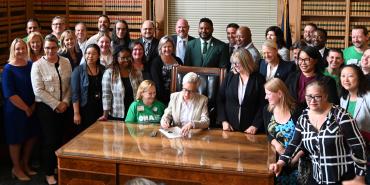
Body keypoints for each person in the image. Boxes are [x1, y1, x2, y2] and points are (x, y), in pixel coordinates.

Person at [270, 80, 367, 185]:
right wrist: (280, 163)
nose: (312, 100)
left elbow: (359, 147)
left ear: (325, 96)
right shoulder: (303, 118)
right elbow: (294, 144)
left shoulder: (342, 116)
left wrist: (360, 177)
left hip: (343, 178)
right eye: (309, 97)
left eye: (317, 96)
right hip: (317, 178)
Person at [31, 34, 72, 185]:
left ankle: (57, 167)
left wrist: (66, 102)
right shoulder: (37, 65)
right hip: (46, 108)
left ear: (58, 47)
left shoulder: (66, 62)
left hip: (65, 106)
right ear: (44, 48)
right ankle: (49, 173)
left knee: (62, 139)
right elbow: (38, 90)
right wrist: (56, 104)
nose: (50, 51)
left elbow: (70, 85)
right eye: (47, 48)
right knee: (50, 141)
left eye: (53, 48)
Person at [2, 38, 38, 181]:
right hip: (15, 110)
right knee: (15, 139)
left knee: (32, 136)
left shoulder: (31, 65)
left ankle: (24, 163)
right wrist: (25, 108)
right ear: (13, 50)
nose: (21, 51)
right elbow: (9, 93)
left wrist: (33, 105)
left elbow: (36, 86)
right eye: (17, 49)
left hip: (32, 107)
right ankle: (16, 168)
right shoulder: (8, 69)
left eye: (23, 48)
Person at [217, 49, 266, 134]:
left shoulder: (259, 79)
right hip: (230, 129)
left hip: (251, 130)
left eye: (237, 63)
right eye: (233, 63)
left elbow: (263, 105)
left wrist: (255, 125)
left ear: (246, 61)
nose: (234, 65)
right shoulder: (230, 77)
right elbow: (220, 99)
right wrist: (223, 121)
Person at [263, 78, 302, 185]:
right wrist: (277, 145)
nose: (266, 97)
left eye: (269, 94)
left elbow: (305, 138)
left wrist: (295, 158)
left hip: (298, 160)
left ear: (279, 93)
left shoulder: (297, 111)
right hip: (276, 157)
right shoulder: (267, 109)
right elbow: (268, 134)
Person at [285, 46, 339, 113]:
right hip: (291, 117)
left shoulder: (327, 82)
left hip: (316, 118)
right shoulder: (291, 77)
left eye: (307, 59)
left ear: (315, 60)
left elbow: (333, 106)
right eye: (300, 59)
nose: (303, 63)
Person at [99, 46, 143, 121]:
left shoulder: (137, 72)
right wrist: (105, 115)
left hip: (135, 113)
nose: (126, 60)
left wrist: (142, 110)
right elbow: (106, 95)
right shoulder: (109, 73)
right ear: (116, 58)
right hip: (117, 114)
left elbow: (142, 92)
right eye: (123, 58)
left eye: (128, 57)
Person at [71, 44, 105, 133]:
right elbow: (75, 94)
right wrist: (76, 113)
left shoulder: (103, 69)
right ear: (85, 55)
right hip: (85, 109)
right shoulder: (78, 70)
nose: (90, 56)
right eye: (88, 53)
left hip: (100, 108)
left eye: (94, 54)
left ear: (98, 56)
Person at [339, 65, 370, 142]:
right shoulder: (343, 98)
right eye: (343, 76)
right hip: (350, 144)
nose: (346, 80)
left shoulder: (368, 97)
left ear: (359, 78)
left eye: (350, 76)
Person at [151, 35, 182, 104]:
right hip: (162, 98)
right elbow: (157, 84)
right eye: (164, 47)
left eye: (169, 46)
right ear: (160, 48)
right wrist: (166, 99)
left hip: (178, 97)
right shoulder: (156, 62)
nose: (167, 49)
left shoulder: (178, 60)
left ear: (173, 47)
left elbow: (182, 78)